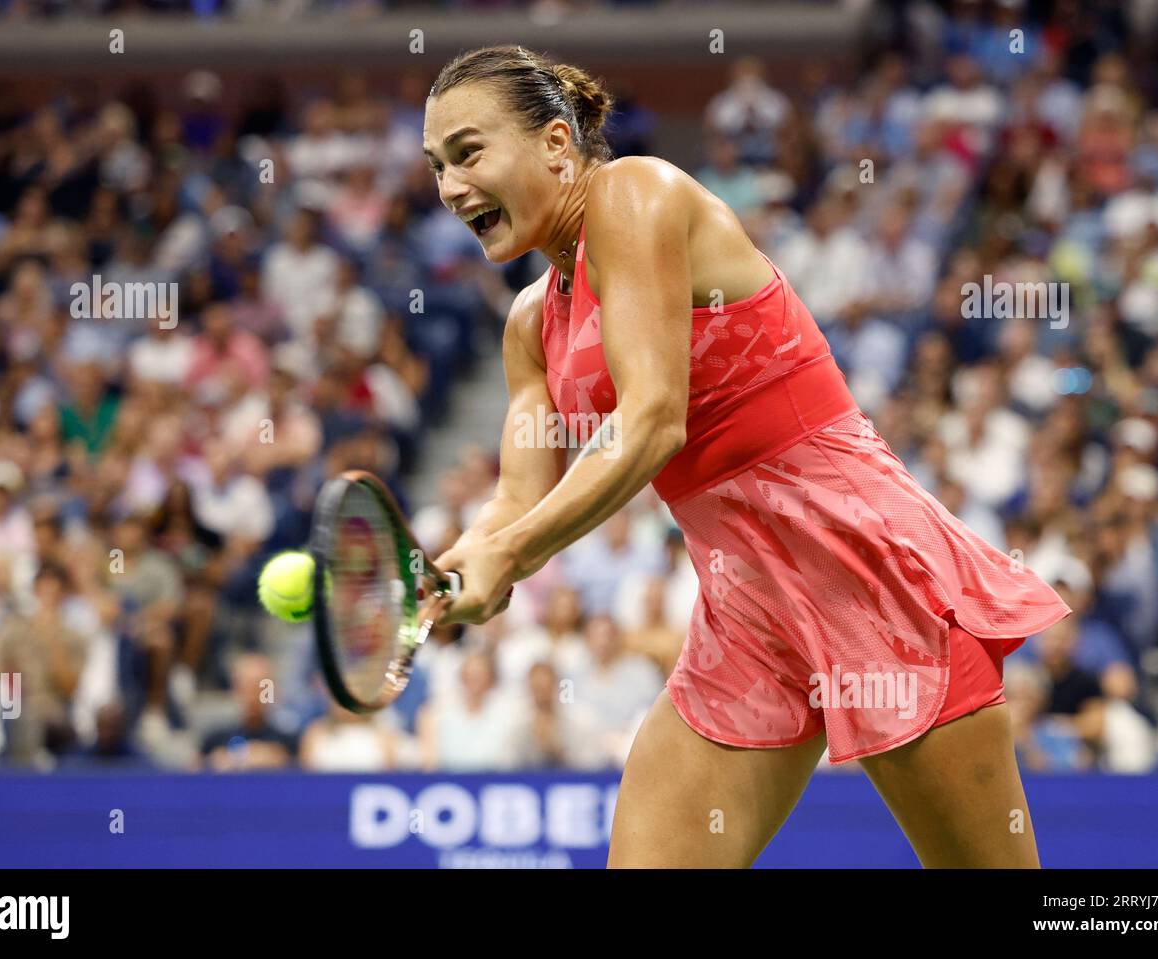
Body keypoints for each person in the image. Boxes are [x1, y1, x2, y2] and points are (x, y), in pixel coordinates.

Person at [419, 46, 1071, 868]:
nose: (449, 187)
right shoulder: (528, 325)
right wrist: (464, 568)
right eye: (438, 166)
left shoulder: (636, 192)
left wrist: (510, 553)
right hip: (747, 617)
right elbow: (514, 501)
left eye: (469, 152)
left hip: (865, 567)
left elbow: (654, 419)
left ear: (556, 142)